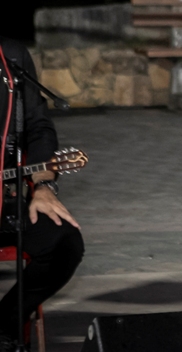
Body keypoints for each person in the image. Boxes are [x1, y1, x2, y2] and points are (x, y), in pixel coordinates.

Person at [0, 38, 83, 352]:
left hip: (4, 200)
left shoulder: (10, 59)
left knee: (64, 242)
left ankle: (6, 323)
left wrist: (44, 187)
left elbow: (38, 127)